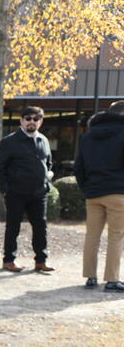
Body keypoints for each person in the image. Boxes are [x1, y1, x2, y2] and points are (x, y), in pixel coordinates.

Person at [0, 106, 55, 272]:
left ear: (40, 122)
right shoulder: (9, 142)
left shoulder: (44, 141)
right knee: (13, 227)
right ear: (21, 120)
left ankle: (41, 260)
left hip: (39, 193)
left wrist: (47, 183)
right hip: (16, 193)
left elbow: (48, 163)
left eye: (36, 119)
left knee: (41, 227)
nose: (31, 122)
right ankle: (9, 260)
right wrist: (6, 189)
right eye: (28, 118)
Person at [76, 100, 124, 293]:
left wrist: (87, 189)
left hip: (93, 193)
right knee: (116, 236)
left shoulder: (88, 137)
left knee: (92, 236)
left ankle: (90, 277)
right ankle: (111, 280)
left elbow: (79, 168)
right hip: (118, 192)